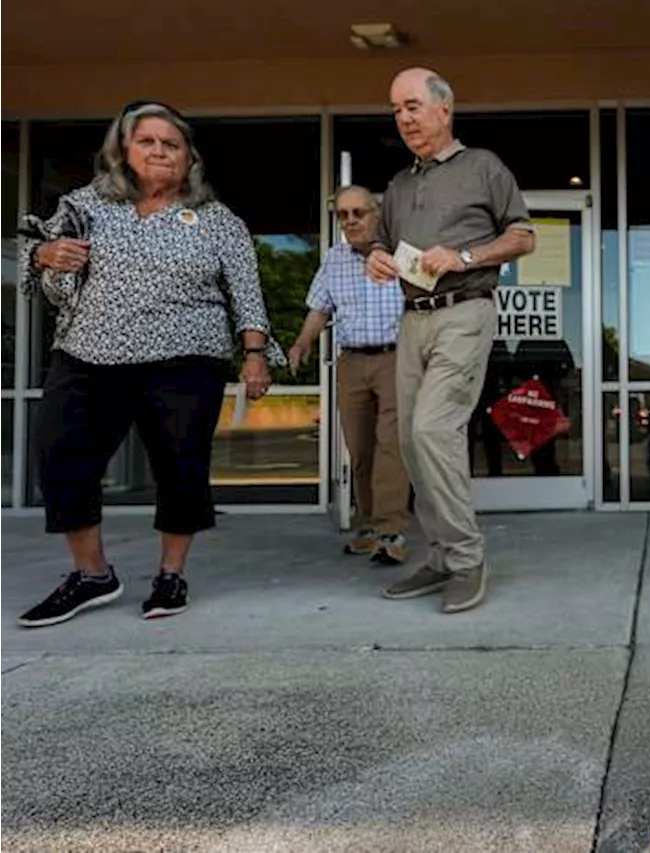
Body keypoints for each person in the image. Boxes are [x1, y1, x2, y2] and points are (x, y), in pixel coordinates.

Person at [15, 100, 285, 628]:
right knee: (60, 454)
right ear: (123, 151)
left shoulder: (217, 220)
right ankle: (92, 574)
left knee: (179, 466)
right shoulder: (86, 205)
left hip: (186, 357)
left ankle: (170, 574)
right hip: (89, 353)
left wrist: (255, 356)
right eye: (148, 142)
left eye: (172, 144)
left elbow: (247, 295)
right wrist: (45, 257)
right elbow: (40, 258)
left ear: (190, 159)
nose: (160, 151)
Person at [365, 67, 536, 613]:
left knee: (433, 430)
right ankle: (440, 555)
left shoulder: (483, 166)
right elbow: (382, 244)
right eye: (396, 110)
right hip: (412, 317)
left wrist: (464, 256)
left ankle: (466, 558)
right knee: (413, 445)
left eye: (412, 105)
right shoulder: (398, 185)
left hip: (465, 311)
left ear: (444, 108)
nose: (404, 118)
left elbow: (523, 236)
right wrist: (375, 257)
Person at [290, 184, 411, 564]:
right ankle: (369, 525)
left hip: (396, 359)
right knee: (360, 450)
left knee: (391, 446)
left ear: (375, 214)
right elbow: (319, 308)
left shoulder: (401, 254)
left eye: (359, 212)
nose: (351, 220)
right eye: (343, 214)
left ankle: (392, 531)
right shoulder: (334, 259)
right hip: (352, 362)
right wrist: (302, 342)